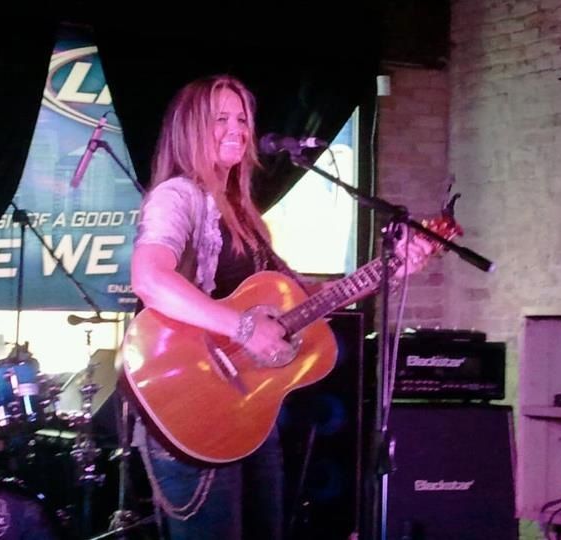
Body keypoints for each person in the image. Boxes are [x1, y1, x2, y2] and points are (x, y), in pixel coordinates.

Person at [127, 74, 430, 540]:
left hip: (248, 411)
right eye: (221, 119)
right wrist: (244, 328)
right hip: (190, 405)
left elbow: (304, 299)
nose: (237, 129)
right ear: (190, 128)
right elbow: (149, 278)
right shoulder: (178, 195)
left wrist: (390, 268)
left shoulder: (244, 214)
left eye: (242, 119)